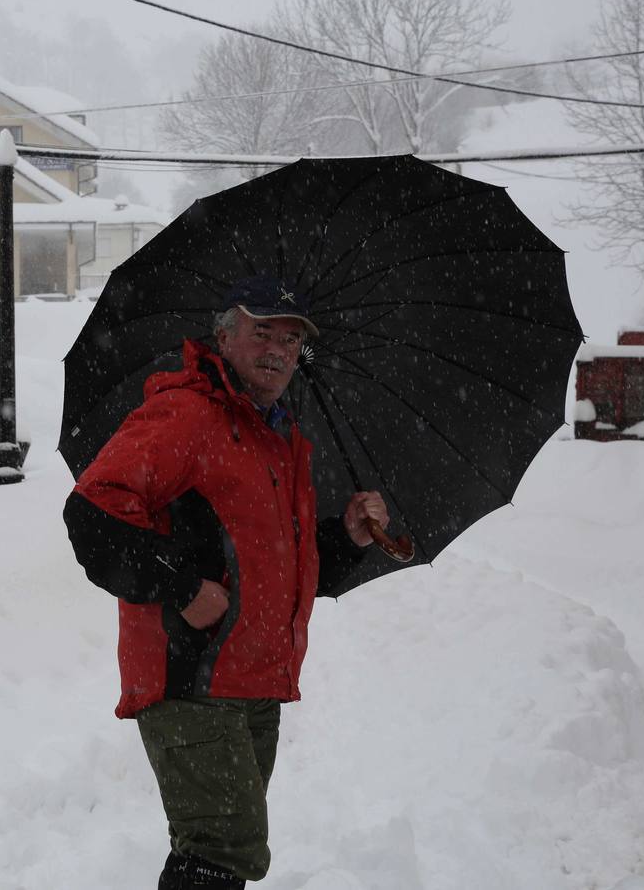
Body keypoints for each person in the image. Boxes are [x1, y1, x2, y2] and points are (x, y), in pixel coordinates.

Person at [63, 275, 389, 889]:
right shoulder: (187, 415)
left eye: (292, 340)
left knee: (214, 853)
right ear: (224, 335)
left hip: (254, 680)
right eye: (263, 332)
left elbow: (273, 568)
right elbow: (91, 516)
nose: (279, 350)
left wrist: (347, 538)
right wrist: (183, 587)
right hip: (194, 675)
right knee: (223, 849)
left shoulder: (279, 438)